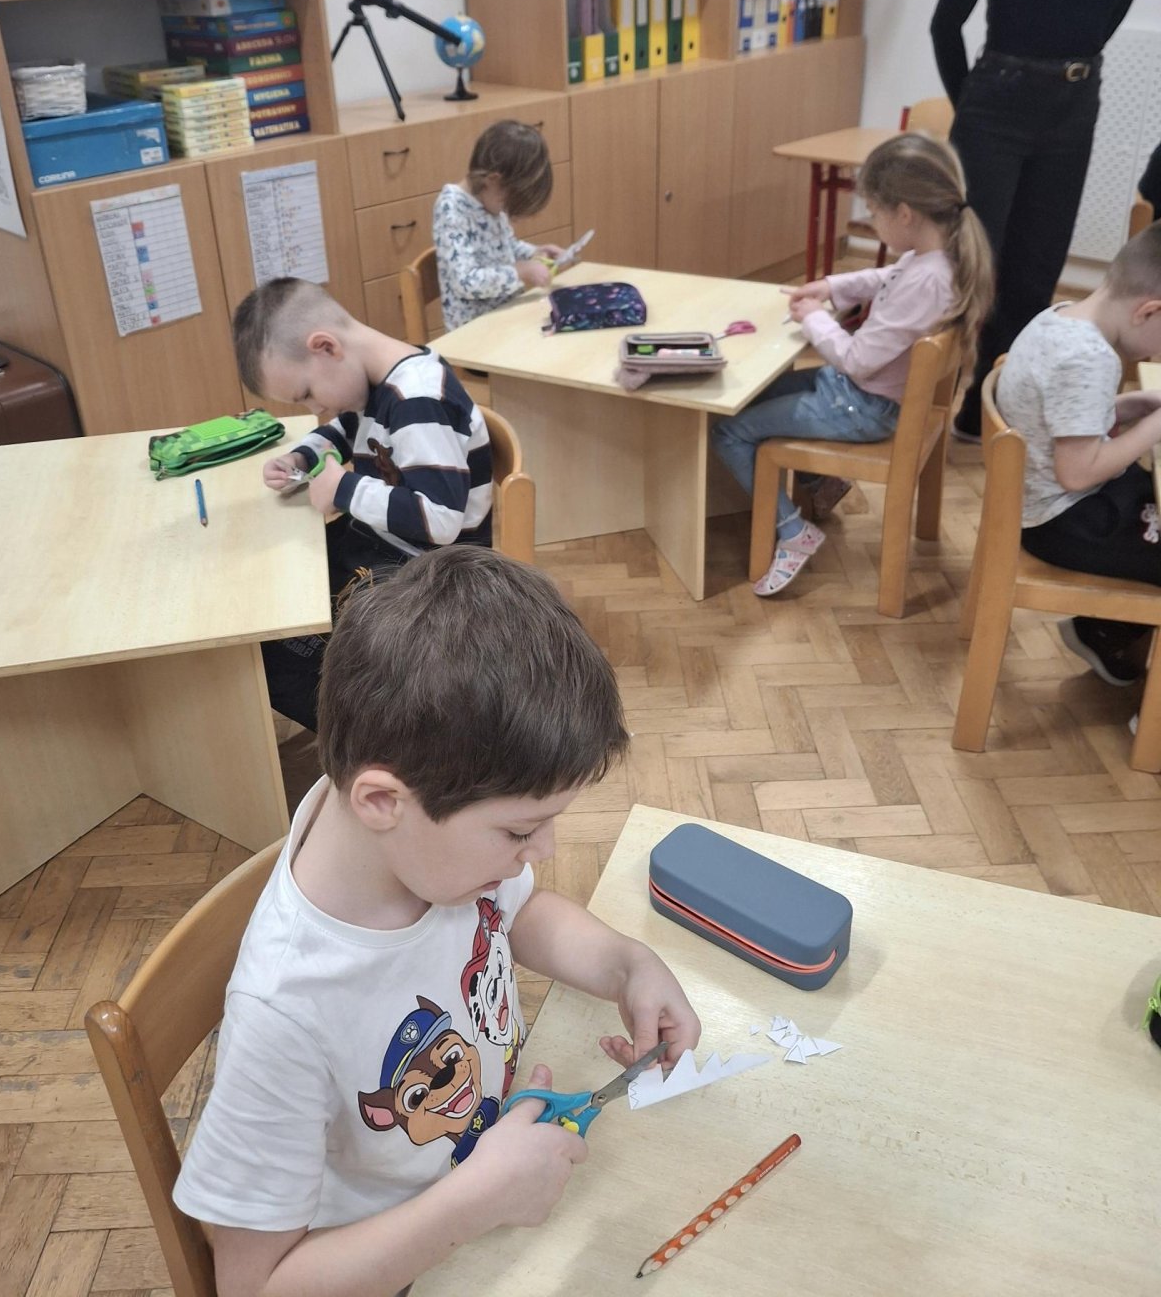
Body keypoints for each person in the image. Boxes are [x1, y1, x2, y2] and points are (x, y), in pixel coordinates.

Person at [172, 547, 701, 1297]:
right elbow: (256, 1288)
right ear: (381, 801)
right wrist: (473, 1203)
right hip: (399, 1255)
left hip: (485, 1176)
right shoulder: (284, 1013)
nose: (543, 852)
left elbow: (517, 915)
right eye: (520, 831)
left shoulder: (415, 849)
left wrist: (626, 966)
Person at [931, 0, 1159, 441]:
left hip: (1073, 103)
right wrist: (971, 110)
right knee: (975, 270)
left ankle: (990, 414)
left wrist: (1068, 74)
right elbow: (945, 23)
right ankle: (926, 409)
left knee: (1036, 271)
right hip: (994, 104)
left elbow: (1106, 15)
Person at [712, 133, 993, 597]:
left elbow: (857, 360)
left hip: (861, 407)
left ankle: (792, 531)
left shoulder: (927, 283)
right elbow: (886, 276)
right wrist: (831, 287)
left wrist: (814, 318)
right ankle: (820, 483)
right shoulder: (937, 258)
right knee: (751, 395)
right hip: (859, 397)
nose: (871, 222)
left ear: (904, 213)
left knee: (730, 431)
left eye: (875, 213)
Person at [233, 276, 492, 731]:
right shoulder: (376, 380)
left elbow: (441, 520)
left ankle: (382, 740)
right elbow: (347, 426)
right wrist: (302, 456)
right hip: (385, 545)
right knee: (269, 601)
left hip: (433, 569)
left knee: (282, 656)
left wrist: (344, 489)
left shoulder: (418, 399)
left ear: (326, 347)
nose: (315, 409)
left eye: (307, 394)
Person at [996, 224, 1161, 711]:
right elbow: (1078, 473)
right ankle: (1112, 641)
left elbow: (1065, 418)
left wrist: (1132, 405)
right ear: (1149, 311)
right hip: (1063, 521)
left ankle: (1106, 627)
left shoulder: (1061, 317)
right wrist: (1154, 426)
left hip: (1057, 505)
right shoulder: (1089, 358)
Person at [433, 118, 569, 330]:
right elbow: (466, 282)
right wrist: (520, 271)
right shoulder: (451, 208)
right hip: (474, 332)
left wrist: (535, 253)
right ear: (493, 180)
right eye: (506, 203)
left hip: (506, 317)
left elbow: (506, 246)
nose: (504, 210)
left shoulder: (489, 200)